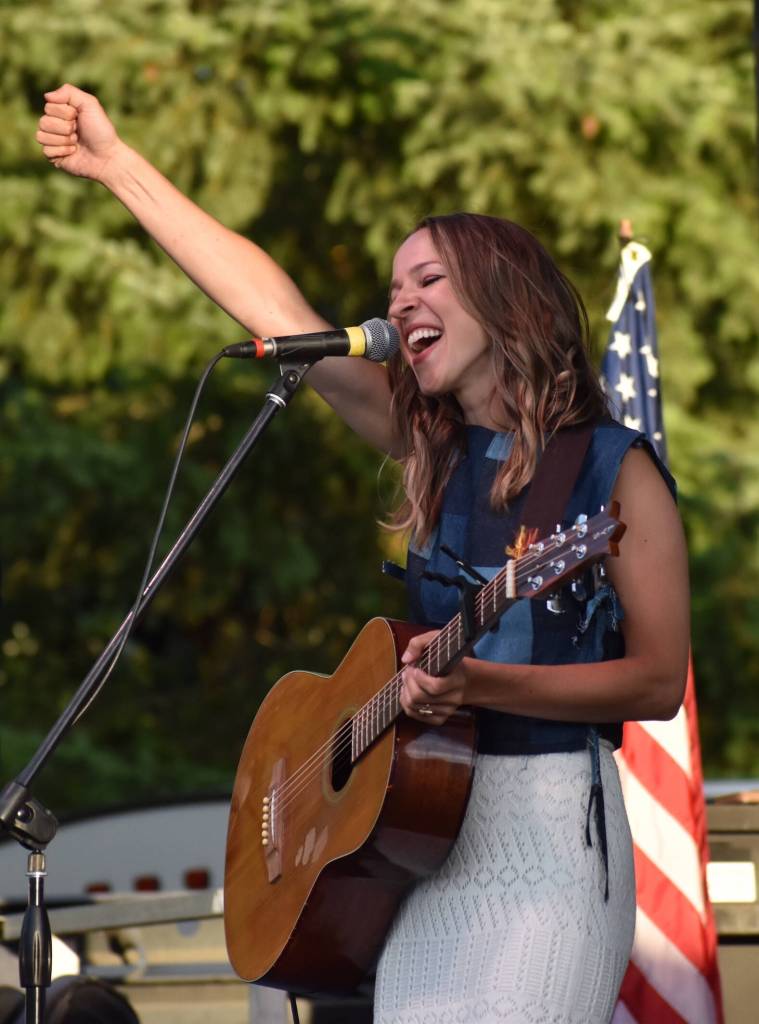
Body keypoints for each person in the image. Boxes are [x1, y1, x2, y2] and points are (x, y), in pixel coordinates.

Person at [36, 85, 690, 1024]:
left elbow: (657, 682)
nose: (399, 300)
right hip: (422, 858)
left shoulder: (612, 471)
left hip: (548, 850)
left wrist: (482, 686)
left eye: (428, 280)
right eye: (393, 288)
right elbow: (275, 309)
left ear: (504, 295)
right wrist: (116, 167)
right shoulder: (431, 446)